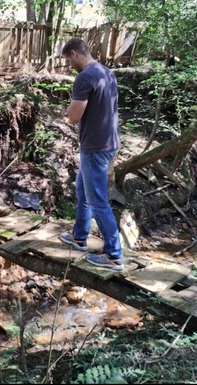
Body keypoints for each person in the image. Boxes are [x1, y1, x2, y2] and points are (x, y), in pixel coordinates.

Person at [58, 38, 123, 270]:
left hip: (95, 146)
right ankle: (79, 237)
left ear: (75, 54)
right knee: (82, 190)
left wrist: (67, 110)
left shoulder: (84, 76)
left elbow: (74, 116)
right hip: (110, 142)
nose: (69, 64)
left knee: (97, 201)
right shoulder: (106, 72)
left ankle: (114, 255)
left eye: (68, 59)